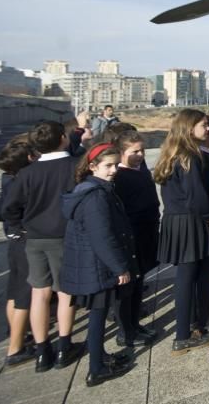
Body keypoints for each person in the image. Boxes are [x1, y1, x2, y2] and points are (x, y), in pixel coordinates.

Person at [2, 120, 80, 372]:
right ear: (62, 139)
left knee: (39, 293)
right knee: (66, 291)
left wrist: (17, 230)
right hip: (64, 236)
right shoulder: (73, 167)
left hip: (34, 239)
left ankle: (42, 350)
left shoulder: (27, 172)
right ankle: (65, 346)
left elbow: (10, 207)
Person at [60, 144, 134, 386]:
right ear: (92, 166)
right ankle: (96, 368)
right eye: (108, 166)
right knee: (98, 316)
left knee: (98, 315)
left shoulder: (94, 189)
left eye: (115, 165)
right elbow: (101, 236)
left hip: (93, 262)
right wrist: (119, 267)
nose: (114, 170)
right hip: (97, 264)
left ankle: (100, 357)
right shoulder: (95, 196)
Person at [154, 110, 209, 356]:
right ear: (190, 128)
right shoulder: (190, 157)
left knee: (187, 275)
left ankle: (194, 324)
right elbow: (197, 197)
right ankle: (184, 335)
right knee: (191, 276)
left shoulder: (172, 154)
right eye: (204, 125)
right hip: (192, 222)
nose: (208, 128)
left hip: (175, 220)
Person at [111, 131, 160, 347]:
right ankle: (125, 331)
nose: (140, 155)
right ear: (121, 153)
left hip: (146, 232)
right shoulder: (119, 178)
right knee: (127, 288)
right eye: (134, 152)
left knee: (140, 281)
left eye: (142, 150)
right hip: (130, 235)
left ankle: (134, 323)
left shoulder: (140, 171)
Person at [0, 138, 35, 368]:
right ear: (28, 159)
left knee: (14, 291)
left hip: (14, 242)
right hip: (24, 241)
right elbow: (3, 211)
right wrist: (19, 226)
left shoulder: (7, 177)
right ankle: (15, 348)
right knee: (24, 297)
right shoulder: (21, 181)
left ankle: (18, 335)